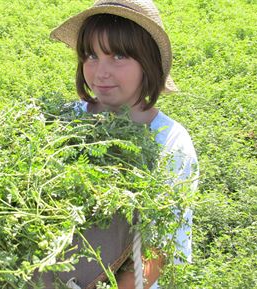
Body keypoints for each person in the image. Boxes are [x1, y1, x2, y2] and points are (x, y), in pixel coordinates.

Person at [40, 0, 199, 288]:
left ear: (147, 62)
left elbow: (158, 250)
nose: (100, 73)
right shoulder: (64, 121)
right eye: (91, 55)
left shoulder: (169, 143)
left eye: (119, 56)